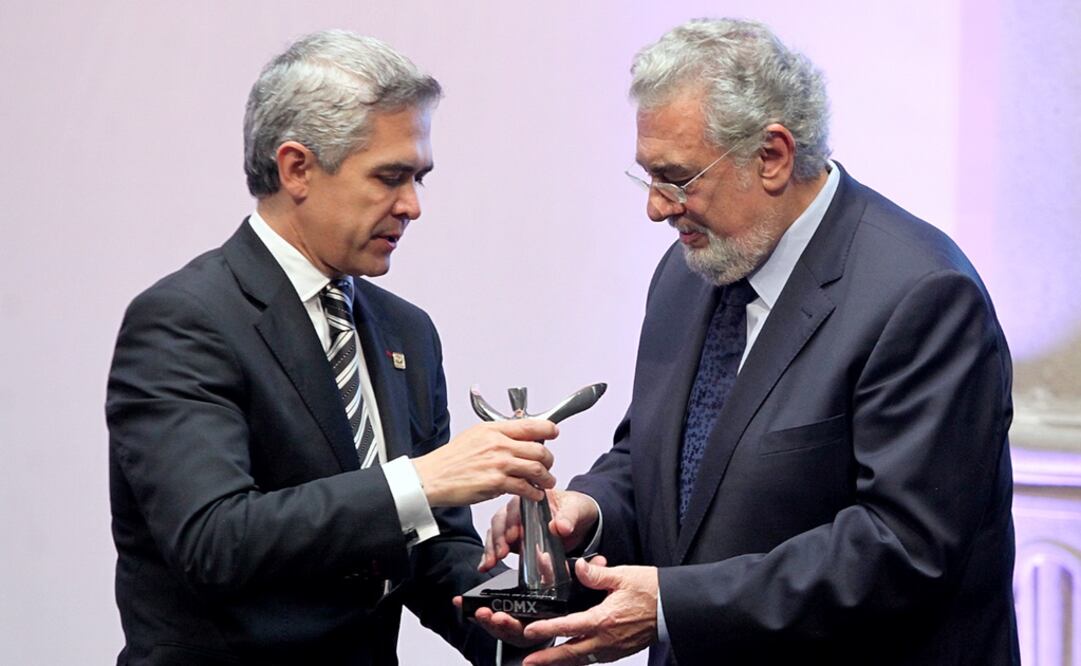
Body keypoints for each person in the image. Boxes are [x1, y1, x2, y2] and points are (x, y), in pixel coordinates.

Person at [476, 18, 1019, 666]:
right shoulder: (687, 273)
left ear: (772, 157)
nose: (656, 207)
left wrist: (673, 606)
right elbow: (659, 463)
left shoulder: (922, 295)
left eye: (677, 179)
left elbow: (902, 548)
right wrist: (588, 511)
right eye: (647, 177)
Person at [106, 30, 558, 666]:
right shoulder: (184, 320)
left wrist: (528, 612)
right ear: (297, 168)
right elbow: (214, 539)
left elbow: (432, 549)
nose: (412, 206)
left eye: (419, 178)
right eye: (390, 177)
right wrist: (421, 480)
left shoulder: (406, 330)